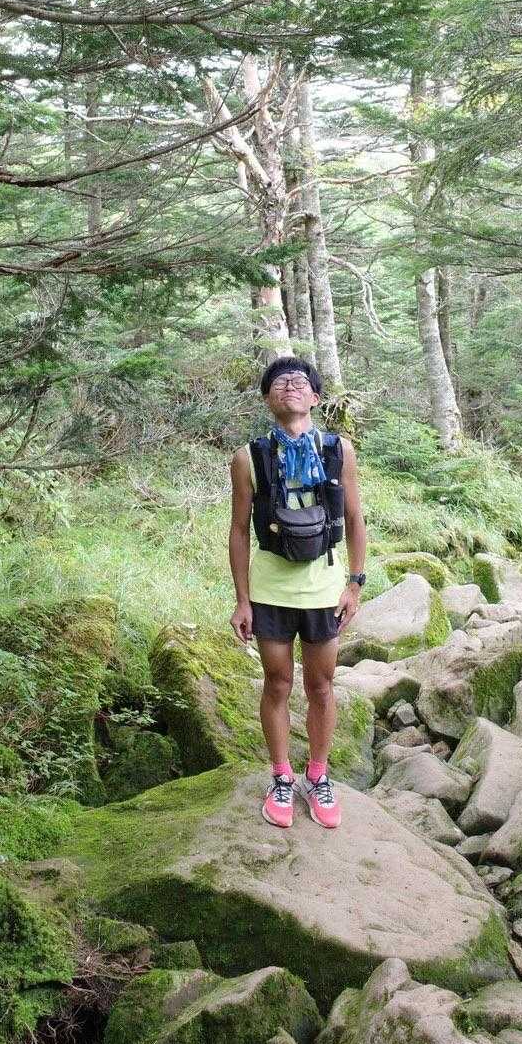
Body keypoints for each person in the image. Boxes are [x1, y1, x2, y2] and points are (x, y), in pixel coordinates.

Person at [228, 356, 367, 831]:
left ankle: (319, 775)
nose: (290, 385)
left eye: (300, 381)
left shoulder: (338, 450)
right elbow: (239, 530)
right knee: (277, 683)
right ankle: (281, 776)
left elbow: (354, 518)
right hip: (270, 587)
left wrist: (355, 582)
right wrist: (242, 600)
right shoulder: (249, 457)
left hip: (324, 587)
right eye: (280, 381)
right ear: (268, 399)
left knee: (322, 685)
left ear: (316, 397)